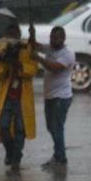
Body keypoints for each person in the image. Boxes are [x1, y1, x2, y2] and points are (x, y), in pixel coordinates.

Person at [0, 24, 37, 172]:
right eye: (9, 33)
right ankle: (10, 151)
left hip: (22, 97)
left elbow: (33, 69)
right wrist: (5, 64)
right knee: (3, 126)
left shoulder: (27, 48)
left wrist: (19, 65)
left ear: (19, 33)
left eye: (15, 33)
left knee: (20, 129)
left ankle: (16, 158)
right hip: (6, 97)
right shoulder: (0, 50)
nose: (12, 36)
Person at [30, 26, 75, 168]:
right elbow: (35, 46)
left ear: (63, 38)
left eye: (57, 37)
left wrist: (38, 58)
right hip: (49, 95)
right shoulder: (49, 48)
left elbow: (54, 67)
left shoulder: (68, 54)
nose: (54, 40)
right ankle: (58, 155)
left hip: (61, 97)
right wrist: (33, 34)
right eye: (52, 37)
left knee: (57, 127)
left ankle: (60, 158)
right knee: (51, 127)